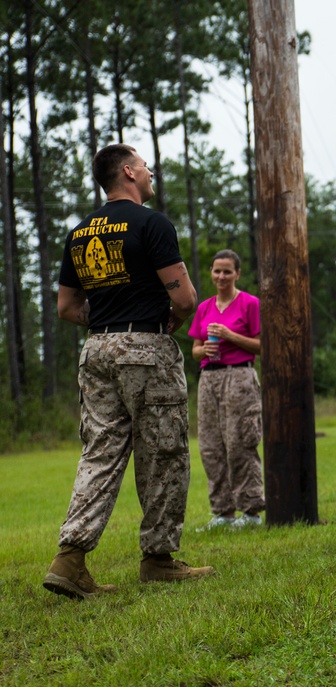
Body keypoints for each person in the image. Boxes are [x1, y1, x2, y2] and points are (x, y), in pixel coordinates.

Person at [43, 143, 214, 599]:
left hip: (96, 349)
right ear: (128, 172)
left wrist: (107, 324)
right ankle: (158, 559)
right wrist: (165, 320)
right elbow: (185, 299)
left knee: (99, 452)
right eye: (144, 165)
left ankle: (69, 558)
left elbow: (66, 307)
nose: (150, 171)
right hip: (145, 348)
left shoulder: (80, 233)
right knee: (163, 451)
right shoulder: (152, 223)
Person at [189, 250, 265, 530]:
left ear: (237, 274)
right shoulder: (204, 307)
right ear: (211, 272)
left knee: (239, 443)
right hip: (209, 379)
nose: (221, 276)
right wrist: (204, 350)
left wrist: (230, 336)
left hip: (239, 376)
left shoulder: (250, 303)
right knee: (211, 446)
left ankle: (251, 512)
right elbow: (195, 350)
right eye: (217, 271)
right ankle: (223, 513)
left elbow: (262, 346)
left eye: (227, 271)